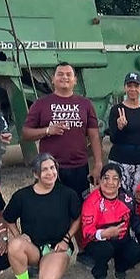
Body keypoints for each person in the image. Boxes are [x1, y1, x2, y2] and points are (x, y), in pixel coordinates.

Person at [4, 152, 82, 279]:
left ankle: (53, 271)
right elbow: (8, 218)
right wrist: (19, 235)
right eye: (45, 169)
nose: (50, 173)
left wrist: (67, 239)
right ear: (36, 173)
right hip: (34, 247)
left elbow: (78, 218)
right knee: (15, 245)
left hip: (58, 247)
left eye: (53, 168)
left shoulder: (67, 194)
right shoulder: (22, 196)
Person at [22, 62, 103, 198]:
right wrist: (48, 130)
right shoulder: (41, 104)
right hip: (50, 168)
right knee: (51, 207)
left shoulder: (85, 104)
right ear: (53, 79)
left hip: (79, 167)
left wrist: (98, 164)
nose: (64, 77)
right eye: (60, 74)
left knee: (77, 208)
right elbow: (26, 133)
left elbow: (94, 136)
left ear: (75, 80)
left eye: (68, 74)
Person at [80, 163, 140, 279]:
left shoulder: (127, 199)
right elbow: (86, 232)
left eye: (115, 178)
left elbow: (135, 221)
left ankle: (120, 268)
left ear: (120, 183)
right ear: (100, 180)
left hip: (121, 239)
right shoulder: (91, 201)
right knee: (104, 250)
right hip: (97, 241)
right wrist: (104, 233)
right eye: (106, 178)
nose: (110, 182)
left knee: (137, 252)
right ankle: (99, 275)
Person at [106, 72, 140, 196]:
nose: (132, 89)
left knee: (139, 198)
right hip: (120, 160)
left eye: (136, 86)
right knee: (120, 198)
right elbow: (113, 138)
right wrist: (119, 127)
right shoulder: (116, 110)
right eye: (129, 86)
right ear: (125, 88)